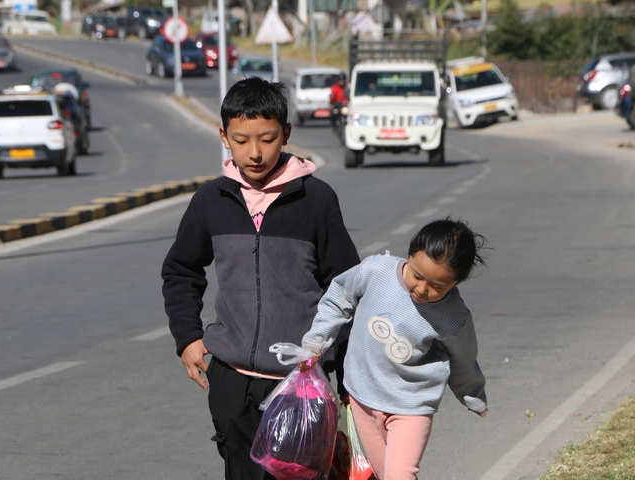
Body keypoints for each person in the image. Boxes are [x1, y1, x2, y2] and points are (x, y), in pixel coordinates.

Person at [161, 76, 360, 480]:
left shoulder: (316, 200)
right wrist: (187, 337)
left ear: (286, 133)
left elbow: (345, 285)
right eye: (241, 139)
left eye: (267, 139)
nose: (254, 153)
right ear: (223, 136)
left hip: (301, 381)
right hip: (231, 381)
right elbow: (181, 269)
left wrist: (342, 371)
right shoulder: (210, 201)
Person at [301, 218, 489, 480]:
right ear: (410, 255)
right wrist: (315, 341)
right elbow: (338, 298)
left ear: (458, 281)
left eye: (437, 286)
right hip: (363, 398)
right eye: (417, 276)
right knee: (382, 473)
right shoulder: (375, 271)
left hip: (411, 406)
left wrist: (473, 394)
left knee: (399, 475)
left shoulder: (453, 316)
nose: (422, 290)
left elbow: (463, 358)